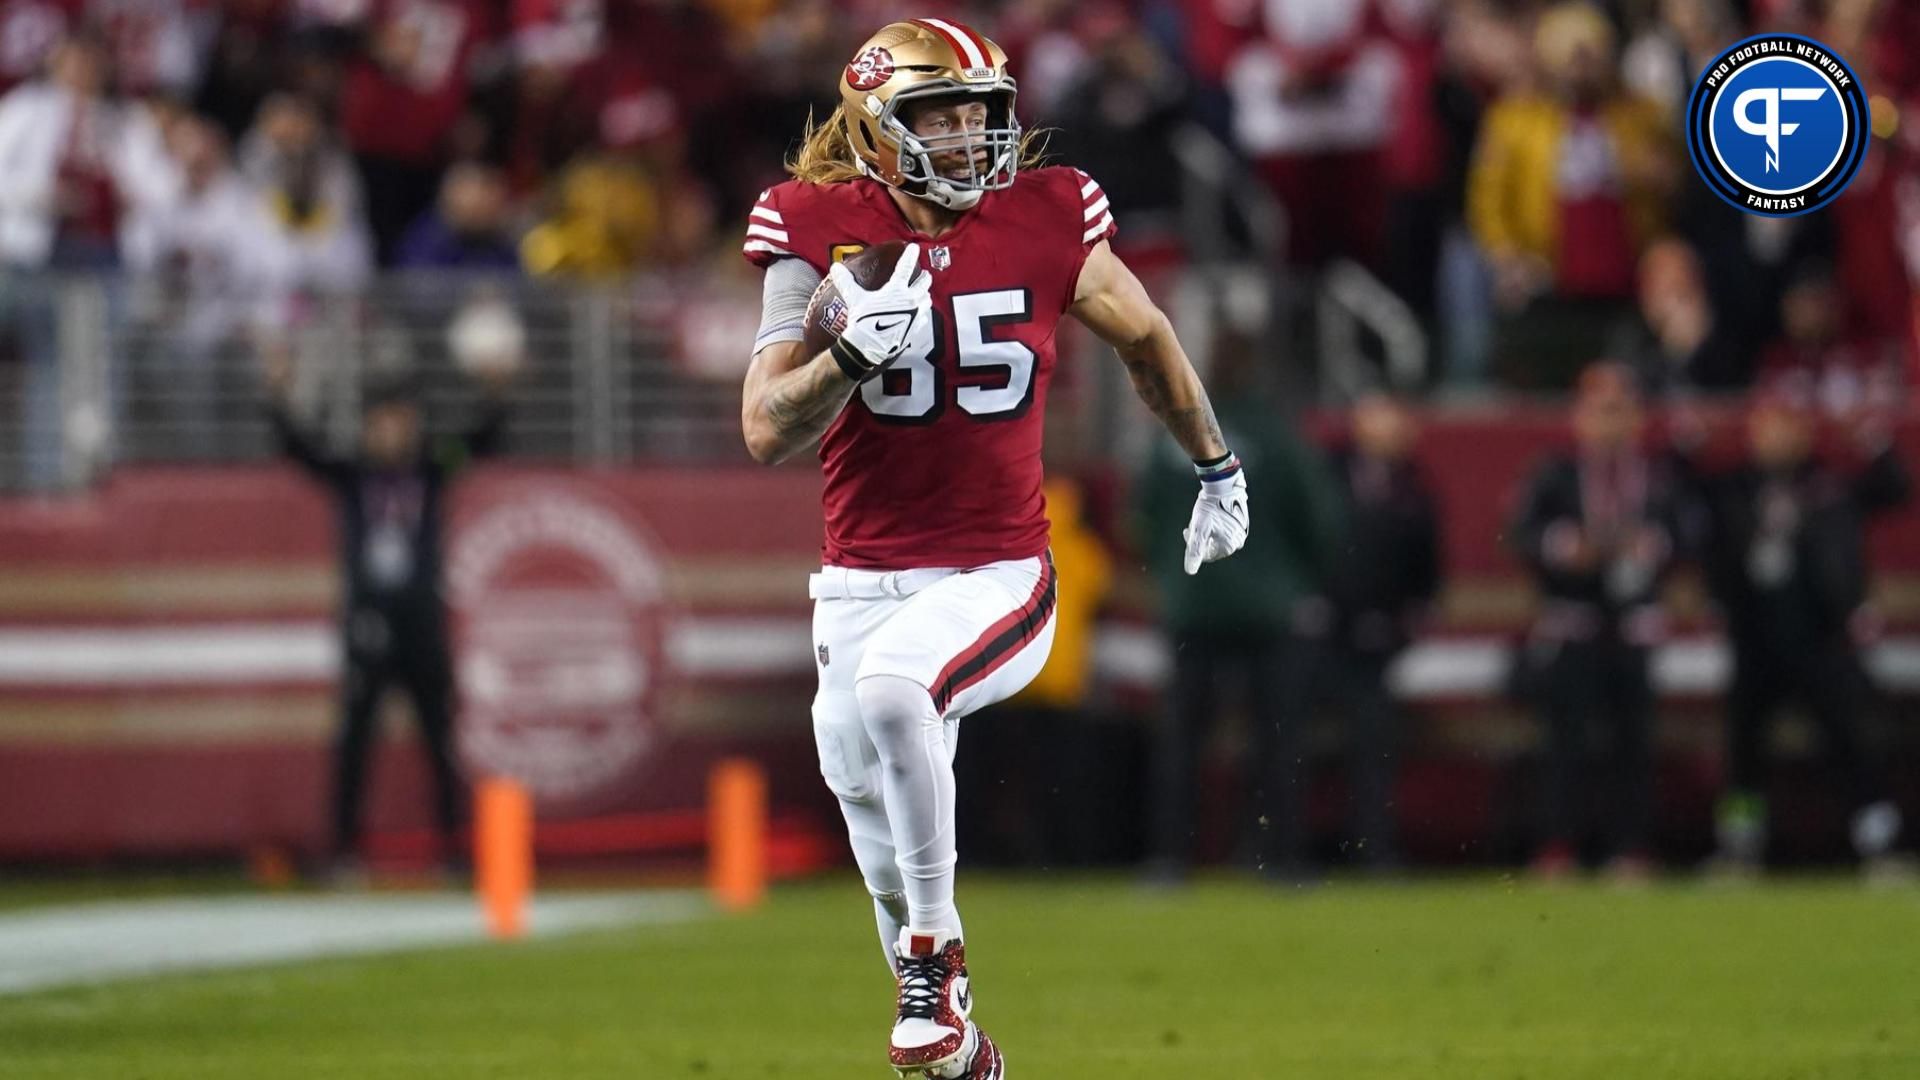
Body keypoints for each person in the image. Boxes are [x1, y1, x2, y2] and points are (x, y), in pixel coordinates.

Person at [738, 20, 1250, 1079]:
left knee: (893, 695)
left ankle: (938, 960)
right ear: (881, 129)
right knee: (866, 795)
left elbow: (1148, 334)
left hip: (998, 573)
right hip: (860, 580)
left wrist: (1216, 463)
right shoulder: (814, 224)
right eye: (942, 116)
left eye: (982, 113)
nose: (971, 137)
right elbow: (766, 426)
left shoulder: (1050, 213)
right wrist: (842, 359)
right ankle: (961, 1049)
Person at [263, 352, 514, 882]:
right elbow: (300, 450)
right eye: (383, 423)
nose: (392, 433)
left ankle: (454, 851)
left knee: (439, 738)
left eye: (401, 422)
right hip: (369, 622)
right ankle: (342, 851)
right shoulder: (354, 475)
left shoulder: (431, 468)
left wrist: (496, 391)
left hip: (420, 623)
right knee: (354, 741)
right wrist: (281, 397)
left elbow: (480, 442)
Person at [1137, 332, 1340, 882]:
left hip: (1193, 607)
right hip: (1271, 611)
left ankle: (1172, 860)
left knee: (1182, 742)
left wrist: (1174, 580)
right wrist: (1294, 580)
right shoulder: (1277, 433)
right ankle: (1279, 858)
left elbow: (1144, 521)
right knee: (1277, 741)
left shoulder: (1171, 433)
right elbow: (1319, 520)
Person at [1688, 390, 1911, 874]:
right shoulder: (1736, 486)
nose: (1780, 437)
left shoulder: (1827, 484)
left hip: (1819, 633)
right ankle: (1740, 846)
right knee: (1744, 748)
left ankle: (1878, 843)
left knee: (1850, 742)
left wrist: (1872, 439)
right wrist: (1694, 440)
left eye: (1790, 426)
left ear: (1806, 432)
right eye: (1770, 426)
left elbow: (1895, 487)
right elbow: (1682, 492)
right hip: (1754, 634)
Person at [1508, 363, 1688, 880]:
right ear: (1580, 416)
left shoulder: (1656, 474)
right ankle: (1558, 845)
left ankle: (1630, 848)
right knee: (1565, 740)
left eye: (1620, 409)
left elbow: (1687, 533)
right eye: (1599, 409)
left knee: (1632, 741)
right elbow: (1522, 533)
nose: (1609, 422)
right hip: (1575, 622)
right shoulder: (1556, 472)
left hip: (1633, 624)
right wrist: (1564, 547)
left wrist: (1652, 546)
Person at [1466, 2, 1675, 388]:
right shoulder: (1515, 120)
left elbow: (1672, 182)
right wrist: (1506, 255)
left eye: (1590, 56)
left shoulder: (1639, 115)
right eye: (1572, 57)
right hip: (1550, 274)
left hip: (1624, 270)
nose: (1581, 68)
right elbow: (1489, 200)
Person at [1293, 392, 1442, 871]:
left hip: (1377, 639)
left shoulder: (1414, 489)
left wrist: (1402, 622)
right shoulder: (1327, 476)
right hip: (1319, 633)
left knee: (1374, 744)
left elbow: (1426, 572)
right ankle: (1280, 852)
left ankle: (1373, 851)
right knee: (1286, 733)